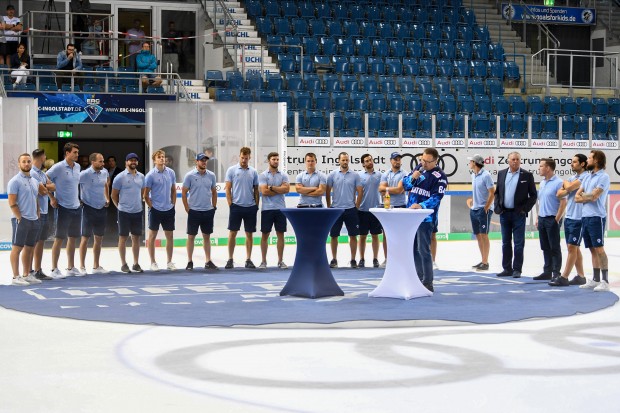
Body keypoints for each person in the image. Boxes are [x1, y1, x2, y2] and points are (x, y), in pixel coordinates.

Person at [402, 148, 448, 292]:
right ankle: (417, 277)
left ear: (435, 161)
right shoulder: (418, 168)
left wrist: (421, 205)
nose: (424, 163)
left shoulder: (439, 176)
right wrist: (412, 177)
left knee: (423, 249)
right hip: (411, 217)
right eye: (422, 160)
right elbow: (405, 185)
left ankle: (428, 282)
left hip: (425, 218)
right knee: (413, 249)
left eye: (428, 161)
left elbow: (437, 198)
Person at [494, 151, 537, 279]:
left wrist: (525, 209)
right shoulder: (501, 174)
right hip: (504, 213)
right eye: (513, 159)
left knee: (519, 243)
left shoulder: (527, 175)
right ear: (508, 160)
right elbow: (497, 193)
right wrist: (498, 207)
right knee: (505, 243)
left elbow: (533, 195)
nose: (515, 161)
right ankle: (507, 268)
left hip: (519, 214)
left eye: (517, 159)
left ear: (520, 161)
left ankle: (517, 269)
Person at [550, 154, 588, 287]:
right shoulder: (572, 178)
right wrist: (568, 184)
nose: (572, 164)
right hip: (570, 217)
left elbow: (569, 188)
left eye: (575, 162)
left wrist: (566, 184)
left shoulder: (585, 177)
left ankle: (564, 277)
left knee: (572, 247)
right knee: (574, 248)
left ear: (582, 164)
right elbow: (559, 194)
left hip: (579, 217)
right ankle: (581, 276)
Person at [575, 150, 611, 292]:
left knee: (599, 248)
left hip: (597, 216)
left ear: (596, 161)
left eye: (590, 158)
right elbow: (577, 197)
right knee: (591, 249)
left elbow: (595, 196)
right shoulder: (588, 177)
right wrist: (586, 196)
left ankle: (605, 280)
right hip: (585, 216)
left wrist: (586, 196)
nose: (588, 160)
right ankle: (596, 279)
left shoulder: (604, 177)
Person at [46, 142, 82, 279]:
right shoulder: (58, 167)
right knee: (59, 238)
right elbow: (45, 178)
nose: (77, 155)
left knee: (72, 238)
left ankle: (71, 267)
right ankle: (54, 269)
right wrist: (52, 198)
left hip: (76, 207)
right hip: (63, 208)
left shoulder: (78, 167)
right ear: (67, 153)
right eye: (74, 152)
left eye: (77, 152)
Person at [8, 153, 41, 286]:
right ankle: (16, 277)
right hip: (21, 220)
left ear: (31, 163)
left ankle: (26, 274)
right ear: (19, 164)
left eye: (28, 161)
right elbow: (12, 202)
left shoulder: (34, 181)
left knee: (29, 248)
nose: (26, 164)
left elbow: (36, 198)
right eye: (24, 162)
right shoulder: (15, 181)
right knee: (17, 248)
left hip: (34, 219)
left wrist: (37, 212)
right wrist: (19, 217)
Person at [326, 152, 363, 268]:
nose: (345, 162)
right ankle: (334, 259)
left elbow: (360, 191)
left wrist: (356, 206)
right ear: (339, 161)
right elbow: (327, 191)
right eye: (343, 160)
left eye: (347, 160)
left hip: (350, 210)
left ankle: (353, 260)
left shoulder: (355, 175)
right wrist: (329, 206)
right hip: (336, 210)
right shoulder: (332, 174)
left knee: (353, 236)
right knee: (334, 236)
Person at [224, 146, 259, 269]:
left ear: (249, 157)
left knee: (249, 234)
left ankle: (248, 259)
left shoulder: (253, 172)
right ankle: (230, 259)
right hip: (236, 207)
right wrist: (230, 204)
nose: (244, 160)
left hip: (250, 207)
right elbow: (228, 188)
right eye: (242, 157)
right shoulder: (232, 170)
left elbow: (256, 190)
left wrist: (256, 205)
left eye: (246, 158)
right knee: (232, 233)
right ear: (239, 156)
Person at [182, 153, 218, 270]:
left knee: (206, 237)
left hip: (207, 211)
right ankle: (189, 261)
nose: (204, 162)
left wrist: (214, 206)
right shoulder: (189, 176)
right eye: (201, 160)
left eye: (205, 160)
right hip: (194, 211)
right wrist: (187, 208)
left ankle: (208, 261)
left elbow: (214, 191)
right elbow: (184, 192)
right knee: (191, 237)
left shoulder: (211, 175)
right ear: (196, 162)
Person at [112, 153, 145, 273]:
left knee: (136, 238)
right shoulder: (120, 177)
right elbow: (113, 195)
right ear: (126, 162)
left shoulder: (141, 177)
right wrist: (120, 207)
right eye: (131, 160)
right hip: (124, 212)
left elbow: (142, 193)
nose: (133, 162)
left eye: (135, 160)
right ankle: (123, 264)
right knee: (123, 238)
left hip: (137, 211)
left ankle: (136, 263)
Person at [144, 149, 177, 271]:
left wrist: (173, 204)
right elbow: (146, 194)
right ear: (154, 160)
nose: (162, 159)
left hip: (168, 209)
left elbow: (174, 190)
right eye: (159, 157)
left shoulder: (171, 173)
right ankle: (153, 262)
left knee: (170, 236)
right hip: (155, 209)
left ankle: (169, 262)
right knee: (152, 236)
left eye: (163, 157)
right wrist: (152, 207)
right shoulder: (150, 175)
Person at [533, 158, 566, 281]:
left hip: (552, 218)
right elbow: (541, 202)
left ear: (548, 168)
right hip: (542, 218)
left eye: (541, 166)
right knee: (545, 246)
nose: (539, 168)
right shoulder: (542, 183)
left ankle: (556, 272)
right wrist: (538, 216)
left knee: (554, 247)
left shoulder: (558, 182)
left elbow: (563, 202)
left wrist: (556, 219)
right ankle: (547, 271)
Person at [78, 153, 110, 274]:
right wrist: (78, 199)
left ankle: (96, 266)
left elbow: (106, 184)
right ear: (93, 162)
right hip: (88, 208)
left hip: (101, 208)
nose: (103, 163)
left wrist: (107, 199)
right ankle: (82, 266)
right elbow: (73, 184)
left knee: (99, 238)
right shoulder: (84, 174)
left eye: (103, 161)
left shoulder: (105, 172)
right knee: (85, 238)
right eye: (100, 161)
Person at [258, 152, 290, 269]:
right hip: (267, 209)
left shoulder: (283, 175)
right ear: (269, 160)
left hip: (280, 209)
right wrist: (278, 189)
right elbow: (264, 192)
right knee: (265, 235)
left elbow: (286, 190)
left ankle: (280, 261)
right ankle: (263, 261)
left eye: (277, 159)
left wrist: (271, 187)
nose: (276, 161)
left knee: (280, 235)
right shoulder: (262, 175)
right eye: (273, 159)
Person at [30, 149, 55, 281]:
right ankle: (30, 270)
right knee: (33, 243)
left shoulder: (41, 173)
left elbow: (53, 187)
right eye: (45, 156)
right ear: (42, 157)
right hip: (36, 212)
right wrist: (46, 187)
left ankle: (36, 269)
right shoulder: (33, 173)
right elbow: (43, 191)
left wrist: (46, 187)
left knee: (40, 242)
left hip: (44, 211)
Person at [379, 152, 407, 268]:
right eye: (395, 159)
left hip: (400, 206)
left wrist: (386, 189)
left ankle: (401, 258)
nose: (397, 161)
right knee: (386, 235)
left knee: (400, 235)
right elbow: (380, 189)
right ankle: (387, 259)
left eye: (399, 159)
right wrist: (392, 189)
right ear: (391, 160)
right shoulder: (385, 174)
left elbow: (400, 190)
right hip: (387, 207)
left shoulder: (404, 174)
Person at [467, 154, 495, 271]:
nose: (469, 163)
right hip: (475, 209)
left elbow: (492, 192)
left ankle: (485, 261)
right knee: (478, 235)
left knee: (484, 234)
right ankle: (483, 260)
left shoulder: (486, 175)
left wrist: (486, 207)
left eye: (471, 161)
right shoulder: (473, 174)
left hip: (483, 209)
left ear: (475, 163)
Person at [357, 153, 382, 268]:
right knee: (362, 236)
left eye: (370, 160)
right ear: (363, 164)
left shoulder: (380, 175)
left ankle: (375, 259)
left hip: (376, 210)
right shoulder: (359, 176)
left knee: (375, 235)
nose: (369, 162)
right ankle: (361, 259)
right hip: (362, 210)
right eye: (366, 161)